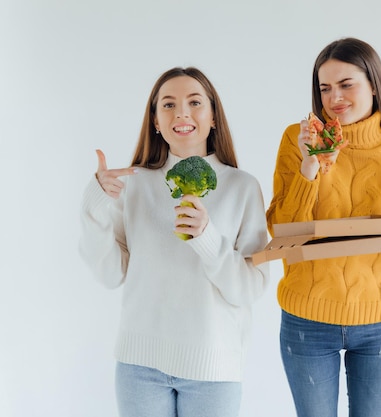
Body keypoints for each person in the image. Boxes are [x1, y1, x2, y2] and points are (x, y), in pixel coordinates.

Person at [266, 37, 381, 417]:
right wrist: (311, 165)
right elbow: (281, 232)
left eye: (347, 84)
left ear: (374, 85)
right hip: (307, 319)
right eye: (325, 88)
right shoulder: (296, 141)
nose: (335, 98)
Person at [79, 66, 270, 417]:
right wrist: (95, 206)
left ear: (214, 117)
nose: (181, 112)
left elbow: (250, 288)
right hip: (139, 366)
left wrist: (207, 238)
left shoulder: (243, 187)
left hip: (214, 368)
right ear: (155, 120)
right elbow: (109, 274)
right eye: (168, 105)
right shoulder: (133, 184)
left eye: (194, 102)